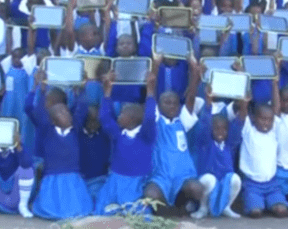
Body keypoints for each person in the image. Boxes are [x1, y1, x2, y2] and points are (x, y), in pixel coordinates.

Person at [144, 55, 204, 215]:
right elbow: (151, 87)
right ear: (159, 104)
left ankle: (180, 206)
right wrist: (156, 65)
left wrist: (195, 73)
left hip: (182, 176)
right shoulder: (156, 120)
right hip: (160, 176)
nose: (172, 106)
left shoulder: (182, 121)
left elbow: (190, 97)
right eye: (167, 102)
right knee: (151, 195)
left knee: (197, 189)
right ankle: (165, 211)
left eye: (175, 103)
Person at [95, 69, 157, 215]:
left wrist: (150, 92)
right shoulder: (118, 134)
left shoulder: (146, 136)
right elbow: (104, 117)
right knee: (104, 210)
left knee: (135, 212)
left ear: (132, 119)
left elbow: (149, 117)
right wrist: (107, 91)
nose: (119, 116)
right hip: (116, 181)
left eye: (123, 114)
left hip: (136, 182)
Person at [31, 85, 93, 219]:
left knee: (78, 208)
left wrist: (82, 90)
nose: (66, 115)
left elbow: (82, 109)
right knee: (49, 205)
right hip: (53, 174)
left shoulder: (75, 128)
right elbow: (39, 112)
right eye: (61, 114)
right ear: (52, 120)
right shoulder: (48, 131)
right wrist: (41, 91)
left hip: (71, 174)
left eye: (67, 112)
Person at [237, 79, 288, 218]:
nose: (266, 123)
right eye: (262, 119)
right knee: (256, 213)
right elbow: (243, 113)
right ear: (254, 118)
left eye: (269, 120)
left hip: (271, 184)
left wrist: (274, 84)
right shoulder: (249, 131)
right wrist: (245, 101)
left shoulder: (274, 132)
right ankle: (258, 203)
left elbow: (276, 108)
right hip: (252, 184)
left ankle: (269, 202)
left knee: (282, 211)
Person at [190, 87, 242, 219]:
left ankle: (226, 207)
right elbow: (205, 124)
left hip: (223, 180)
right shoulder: (205, 143)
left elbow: (239, 123)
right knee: (210, 180)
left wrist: (245, 105)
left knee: (235, 179)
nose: (220, 132)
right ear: (211, 130)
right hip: (207, 180)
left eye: (224, 129)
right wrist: (208, 103)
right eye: (216, 129)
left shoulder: (229, 144)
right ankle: (203, 208)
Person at [0, 48, 33, 155]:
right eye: (15, 57)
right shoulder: (7, 68)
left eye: (20, 58)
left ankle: (22, 151)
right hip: (8, 105)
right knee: (8, 125)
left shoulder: (27, 71)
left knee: (22, 126)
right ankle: (6, 151)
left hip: (22, 104)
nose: (17, 60)